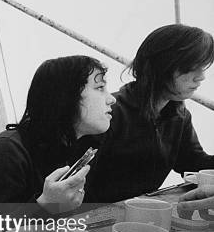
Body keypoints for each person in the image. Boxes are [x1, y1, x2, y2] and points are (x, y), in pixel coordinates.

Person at [86, 24, 214, 203]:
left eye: (203, 67)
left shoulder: (179, 114)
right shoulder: (110, 112)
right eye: (192, 67)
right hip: (96, 218)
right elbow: (77, 181)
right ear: (164, 65)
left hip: (145, 211)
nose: (201, 77)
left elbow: (193, 163)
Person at [0, 55, 115, 215]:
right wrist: (46, 205)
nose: (111, 99)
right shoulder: (7, 151)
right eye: (100, 88)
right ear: (66, 96)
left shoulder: (80, 146)